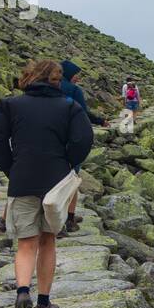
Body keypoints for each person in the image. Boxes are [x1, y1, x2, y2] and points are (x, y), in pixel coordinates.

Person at [0, 59, 93, 308]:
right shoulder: (70, 107)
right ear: (57, 80)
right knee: (48, 241)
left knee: (26, 243)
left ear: (29, 78)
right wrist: (67, 164)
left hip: (22, 179)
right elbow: (83, 140)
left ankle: (22, 292)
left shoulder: (9, 105)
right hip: (55, 182)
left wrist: (11, 167)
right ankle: (43, 304)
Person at [59, 59, 106, 233]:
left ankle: (54, 215)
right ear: (69, 74)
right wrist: (100, 121)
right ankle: (69, 219)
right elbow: (82, 113)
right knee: (72, 179)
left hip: (51, 138)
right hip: (71, 138)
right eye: (76, 75)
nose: (78, 78)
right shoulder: (73, 90)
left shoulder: (50, 87)